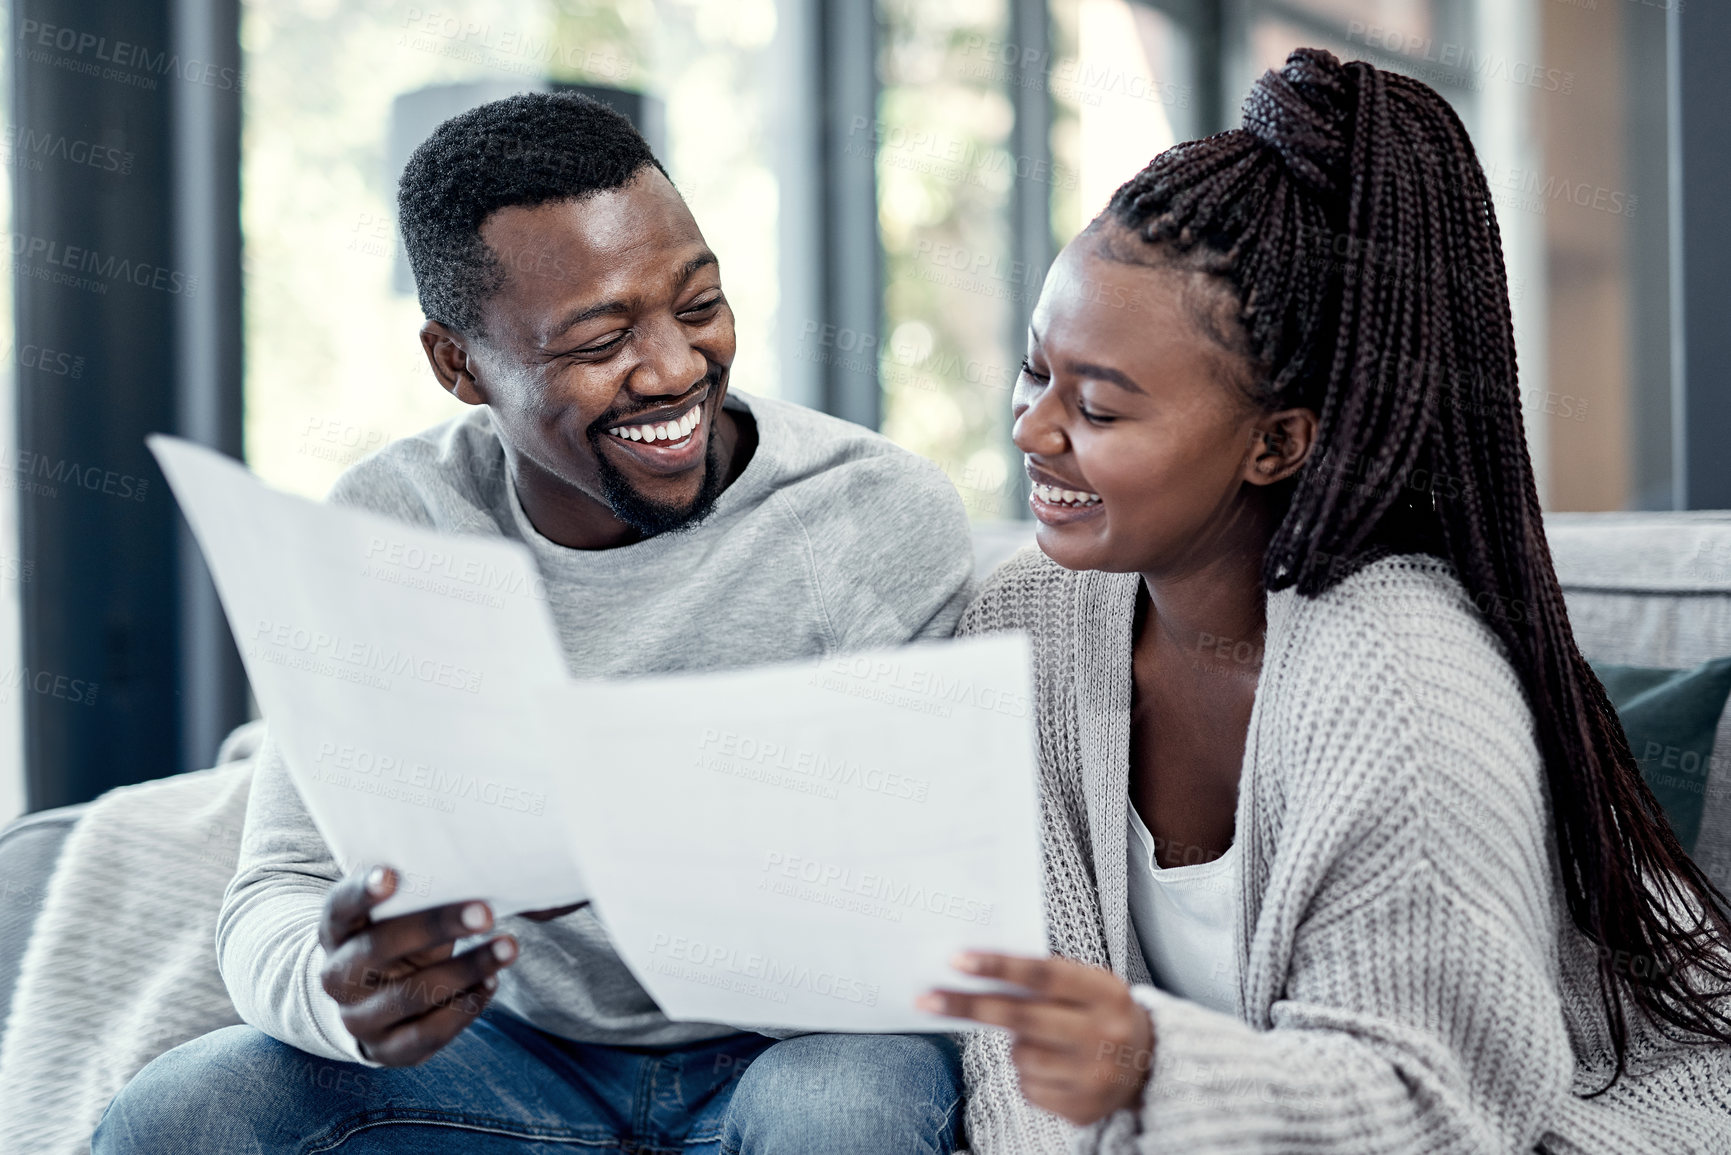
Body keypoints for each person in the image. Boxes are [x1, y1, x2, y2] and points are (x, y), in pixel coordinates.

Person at [94, 92, 972, 1154]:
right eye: (601, 340)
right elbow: (281, 882)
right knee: (185, 1113)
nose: (675, 369)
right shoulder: (393, 522)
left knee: (844, 1117)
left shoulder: (874, 513)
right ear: (458, 366)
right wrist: (340, 995)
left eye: (699, 304)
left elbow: (946, 898)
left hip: (802, 1048)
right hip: (518, 1057)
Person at [923, 48, 1731, 1153]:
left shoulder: (1403, 685)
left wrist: (1150, 1069)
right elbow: (1024, 1046)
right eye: (1035, 372)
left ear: (1277, 442)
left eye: (1099, 410)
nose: (1030, 431)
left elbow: (1431, 1114)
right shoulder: (1028, 628)